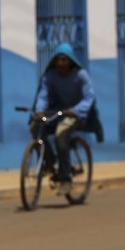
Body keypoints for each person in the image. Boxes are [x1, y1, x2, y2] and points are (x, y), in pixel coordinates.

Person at [31, 43, 96, 196]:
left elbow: (89, 97)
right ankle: (49, 160)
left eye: (64, 60)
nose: (60, 64)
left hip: (76, 115)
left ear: (70, 61)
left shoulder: (81, 75)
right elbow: (43, 96)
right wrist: (40, 111)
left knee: (61, 133)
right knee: (35, 126)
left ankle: (65, 179)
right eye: (58, 60)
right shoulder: (50, 76)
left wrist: (75, 110)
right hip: (57, 112)